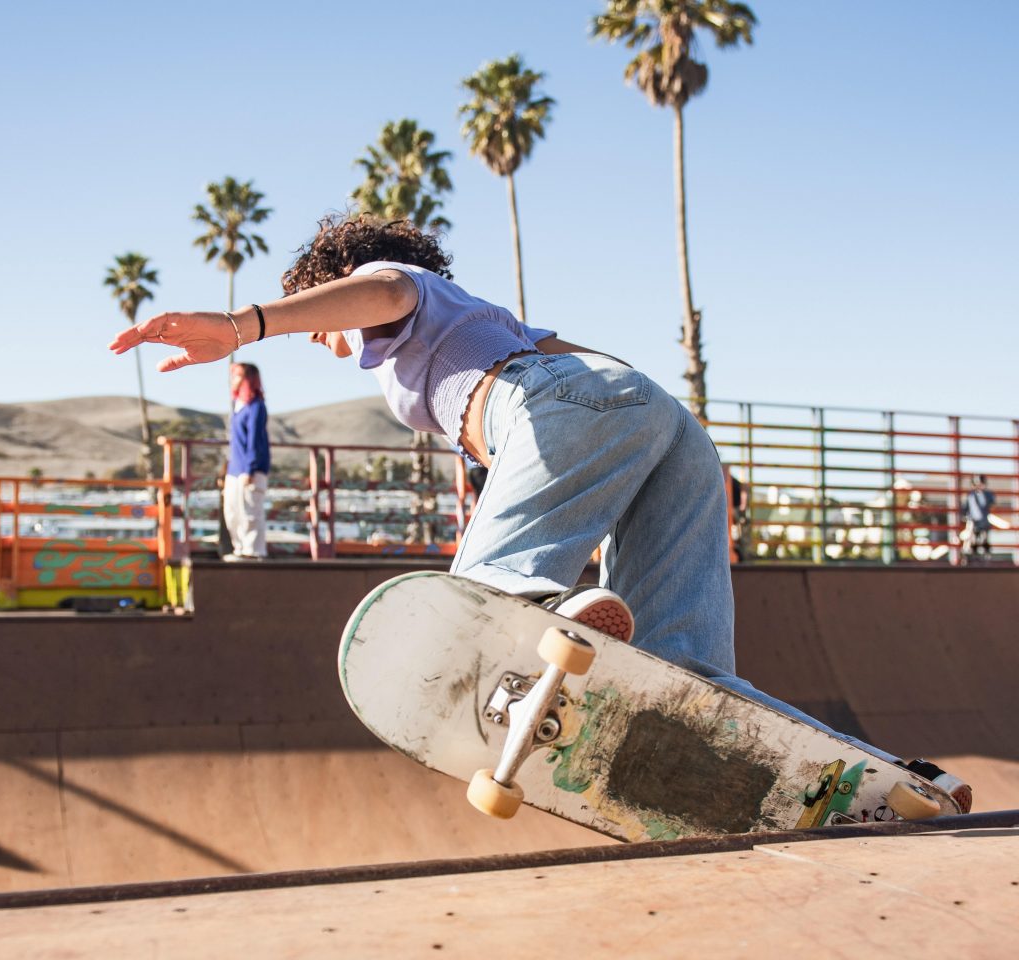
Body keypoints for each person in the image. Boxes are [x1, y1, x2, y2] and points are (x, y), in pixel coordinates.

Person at [110, 214, 972, 812]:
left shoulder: (401, 294)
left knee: (475, 610)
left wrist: (244, 322)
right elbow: (608, 392)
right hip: (653, 418)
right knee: (688, 677)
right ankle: (899, 780)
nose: (323, 345)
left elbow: (374, 294)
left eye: (317, 328)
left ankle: (552, 612)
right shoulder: (498, 322)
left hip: (556, 406)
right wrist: (702, 467)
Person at [223, 362, 270, 560]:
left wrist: (249, 469)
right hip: (234, 469)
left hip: (250, 469)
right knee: (232, 512)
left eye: (238, 376)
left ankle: (253, 551)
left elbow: (254, 440)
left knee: (250, 511)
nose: (233, 380)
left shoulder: (256, 407)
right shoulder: (237, 407)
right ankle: (240, 549)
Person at [962, 475, 996, 561]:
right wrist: (964, 516)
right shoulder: (970, 495)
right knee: (972, 538)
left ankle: (986, 556)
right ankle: (973, 556)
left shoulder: (988, 494)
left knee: (984, 538)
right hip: (973, 520)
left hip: (984, 519)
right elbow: (965, 506)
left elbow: (991, 503)